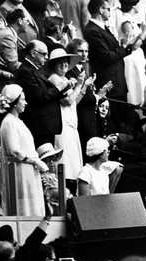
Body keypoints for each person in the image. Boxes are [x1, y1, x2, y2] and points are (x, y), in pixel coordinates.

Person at [84, 0, 138, 124]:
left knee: (121, 120)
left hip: (118, 82)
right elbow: (107, 57)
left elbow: (115, 51)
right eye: (108, 9)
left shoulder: (102, 27)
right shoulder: (93, 30)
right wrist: (124, 46)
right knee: (114, 121)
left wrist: (126, 45)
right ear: (101, 10)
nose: (110, 12)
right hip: (110, 83)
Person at [0, 84, 48, 216]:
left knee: (34, 207)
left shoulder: (18, 122)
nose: (25, 103)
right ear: (14, 103)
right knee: (24, 207)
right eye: (22, 99)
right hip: (20, 171)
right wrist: (35, 161)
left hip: (28, 172)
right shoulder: (9, 122)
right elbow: (14, 150)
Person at [47, 48, 94, 183]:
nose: (64, 65)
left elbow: (74, 102)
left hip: (71, 122)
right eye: (60, 62)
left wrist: (83, 86)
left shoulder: (64, 78)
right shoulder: (54, 79)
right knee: (65, 163)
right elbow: (67, 101)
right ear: (54, 65)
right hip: (62, 123)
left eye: (66, 62)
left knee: (73, 162)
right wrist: (79, 85)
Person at [15, 40, 70, 148]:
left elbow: (47, 92)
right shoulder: (25, 71)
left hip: (46, 125)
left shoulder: (35, 70)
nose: (46, 57)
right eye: (44, 54)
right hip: (39, 125)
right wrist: (60, 87)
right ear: (33, 53)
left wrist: (66, 88)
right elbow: (39, 96)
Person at [65, 39, 113, 162]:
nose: (84, 54)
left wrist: (99, 94)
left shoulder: (82, 69)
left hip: (90, 118)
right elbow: (79, 99)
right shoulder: (70, 72)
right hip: (81, 119)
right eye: (80, 51)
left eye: (86, 51)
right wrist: (94, 95)